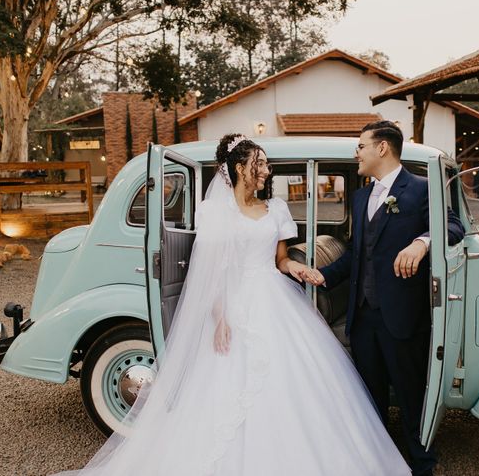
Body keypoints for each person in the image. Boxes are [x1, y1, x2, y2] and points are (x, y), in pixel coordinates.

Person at [62, 134, 410, 476]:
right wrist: (220, 317)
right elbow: (211, 272)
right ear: (241, 168)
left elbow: (280, 261)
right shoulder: (214, 211)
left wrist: (300, 268)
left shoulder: (276, 208)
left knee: (293, 379)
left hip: (274, 298)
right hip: (233, 302)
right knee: (226, 382)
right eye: (260, 163)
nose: (266, 169)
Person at [309, 121, 465, 476]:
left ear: (382, 148)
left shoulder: (423, 189)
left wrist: (422, 242)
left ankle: (422, 464)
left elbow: (453, 227)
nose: (356, 154)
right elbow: (357, 253)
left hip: (403, 315)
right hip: (362, 317)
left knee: (411, 397)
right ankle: (375, 462)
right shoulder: (362, 196)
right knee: (369, 398)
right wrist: (324, 275)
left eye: (361, 146)